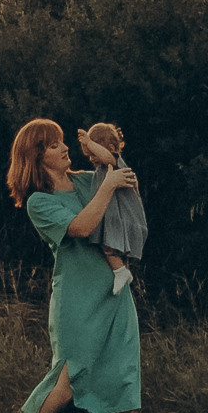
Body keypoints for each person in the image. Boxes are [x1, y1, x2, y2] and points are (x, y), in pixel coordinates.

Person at [0, 116, 139, 413]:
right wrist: (108, 186)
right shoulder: (39, 203)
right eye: (53, 144)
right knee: (68, 379)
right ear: (36, 156)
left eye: (63, 141)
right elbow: (82, 226)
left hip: (115, 292)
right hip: (77, 298)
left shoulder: (86, 181)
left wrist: (105, 154)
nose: (64, 148)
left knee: (124, 376)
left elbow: (123, 180)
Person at [78, 118, 146, 295]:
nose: (92, 158)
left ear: (111, 148)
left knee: (109, 246)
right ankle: (122, 271)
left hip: (123, 217)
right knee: (109, 245)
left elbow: (107, 157)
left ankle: (120, 272)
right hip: (116, 217)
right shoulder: (101, 170)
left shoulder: (114, 162)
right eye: (89, 155)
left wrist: (89, 142)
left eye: (93, 153)